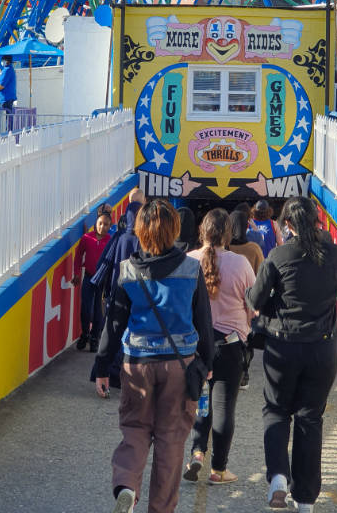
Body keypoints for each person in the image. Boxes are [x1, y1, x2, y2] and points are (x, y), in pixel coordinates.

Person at [94, 199, 213, 513]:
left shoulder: (128, 270)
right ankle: (160, 508)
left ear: (139, 232)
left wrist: (102, 366)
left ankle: (126, 485)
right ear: (174, 229)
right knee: (171, 441)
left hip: (137, 363)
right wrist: (207, 363)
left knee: (134, 430)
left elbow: (114, 321)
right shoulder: (191, 268)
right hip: (180, 363)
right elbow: (204, 321)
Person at [246, 196, 337, 512]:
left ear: (287, 224)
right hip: (322, 347)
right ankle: (305, 500)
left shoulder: (278, 255)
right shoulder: (336, 255)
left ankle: (277, 478)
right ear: (316, 220)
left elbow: (256, 299)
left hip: (283, 346)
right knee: (310, 419)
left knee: (276, 410)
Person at [184, 208, 255, 485]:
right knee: (224, 408)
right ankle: (219, 470)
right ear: (228, 234)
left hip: (195, 347)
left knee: (201, 404)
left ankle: (197, 454)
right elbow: (252, 306)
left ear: (202, 231)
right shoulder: (240, 264)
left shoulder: (188, 261)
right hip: (229, 346)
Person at [229, 209, 264, 390]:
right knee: (246, 338)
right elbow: (261, 276)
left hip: (227, 301)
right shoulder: (253, 249)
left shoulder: (225, 248)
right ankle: (244, 373)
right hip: (247, 302)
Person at [72, 204, 113, 353]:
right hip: (88, 278)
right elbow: (78, 257)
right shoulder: (86, 238)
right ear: (96, 223)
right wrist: (76, 273)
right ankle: (85, 334)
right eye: (100, 223)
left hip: (102, 280)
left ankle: (95, 338)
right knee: (85, 309)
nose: (102, 227)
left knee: (98, 311)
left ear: (110, 226)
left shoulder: (110, 240)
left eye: (106, 224)